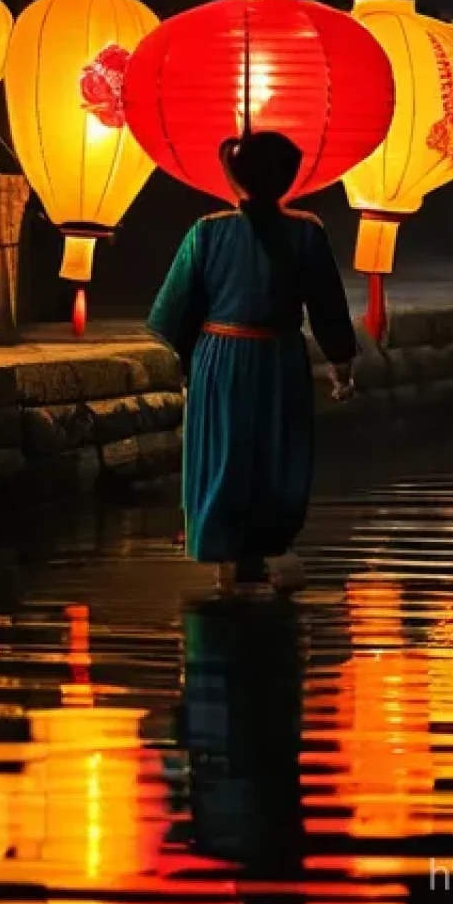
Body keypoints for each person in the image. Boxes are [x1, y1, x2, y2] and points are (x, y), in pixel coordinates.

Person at [147, 130, 357, 594]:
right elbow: (327, 308)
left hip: (218, 359)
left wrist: (188, 362)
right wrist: (340, 363)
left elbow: (173, 312)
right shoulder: (306, 233)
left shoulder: (205, 232)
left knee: (225, 452)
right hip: (278, 357)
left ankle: (228, 558)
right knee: (276, 453)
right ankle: (268, 549)